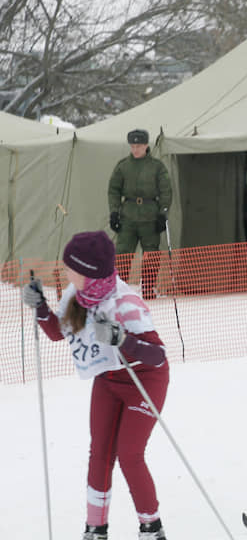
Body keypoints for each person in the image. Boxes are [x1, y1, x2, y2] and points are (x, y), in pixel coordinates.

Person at [21, 231, 169, 540]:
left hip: (144, 380)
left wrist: (123, 339)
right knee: (100, 453)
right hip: (109, 378)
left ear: (88, 271)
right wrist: (40, 307)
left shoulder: (125, 301)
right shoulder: (74, 295)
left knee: (129, 454)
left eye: (69, 267)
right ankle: (95, 528)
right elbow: (57, 332)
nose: (65, 271)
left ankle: (151, 528)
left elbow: (157, 356)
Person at [107, 129, 172, 300]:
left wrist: (162, 212)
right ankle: (120, 289)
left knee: (151, 254)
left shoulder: (157, 166)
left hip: (150, 216)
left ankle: (149, 289)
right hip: (128, 216)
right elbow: (113, 190)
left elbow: (166, 191)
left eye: (139, 146)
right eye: (133, 146)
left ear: (146, 146)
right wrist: (114, 212)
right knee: (122, 254)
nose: (136, 149)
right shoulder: (123, 166)